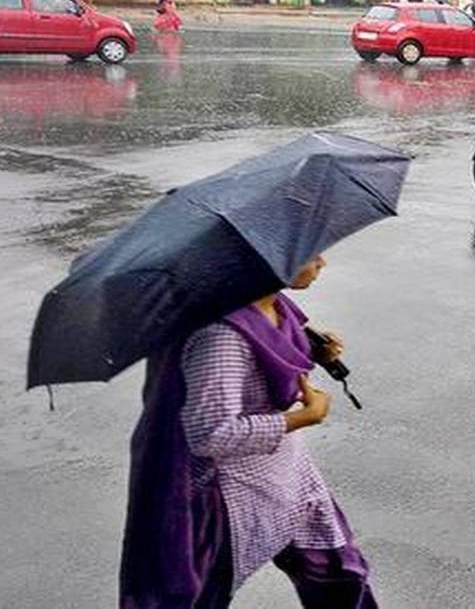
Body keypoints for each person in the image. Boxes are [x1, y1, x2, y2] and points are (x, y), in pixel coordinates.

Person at [119, 254, 378, 608]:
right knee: (201, 592)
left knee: (341, 573)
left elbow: (271, 348)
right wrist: (303, 417)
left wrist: (316, 351)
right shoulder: (221, 336)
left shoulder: (270, 302)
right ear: (271, 261)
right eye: (311, 254)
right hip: (231, 491)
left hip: (290, 473)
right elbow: (210, 433)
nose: (322, 262)